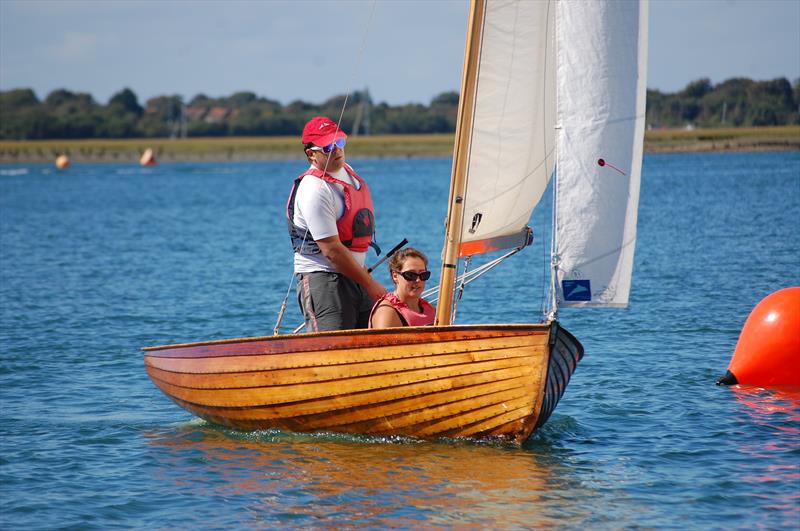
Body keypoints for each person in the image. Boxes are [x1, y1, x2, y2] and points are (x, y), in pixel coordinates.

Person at [287, 116, 387, 332]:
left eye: (340, 142)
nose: (337, 150)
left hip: (355, 274)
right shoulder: (314, 189)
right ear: (311, 154)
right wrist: (370, 285)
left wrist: (364, 280)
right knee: (333, 348)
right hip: (324, 280)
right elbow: (332, 250)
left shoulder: (346, 170)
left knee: (375, 339)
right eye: (328, 147)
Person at [369, 247, 436, 328]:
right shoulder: (387, 312)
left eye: (423, 275)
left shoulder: (431, 309)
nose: (418, 280)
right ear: (395, 276)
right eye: (411, 275)